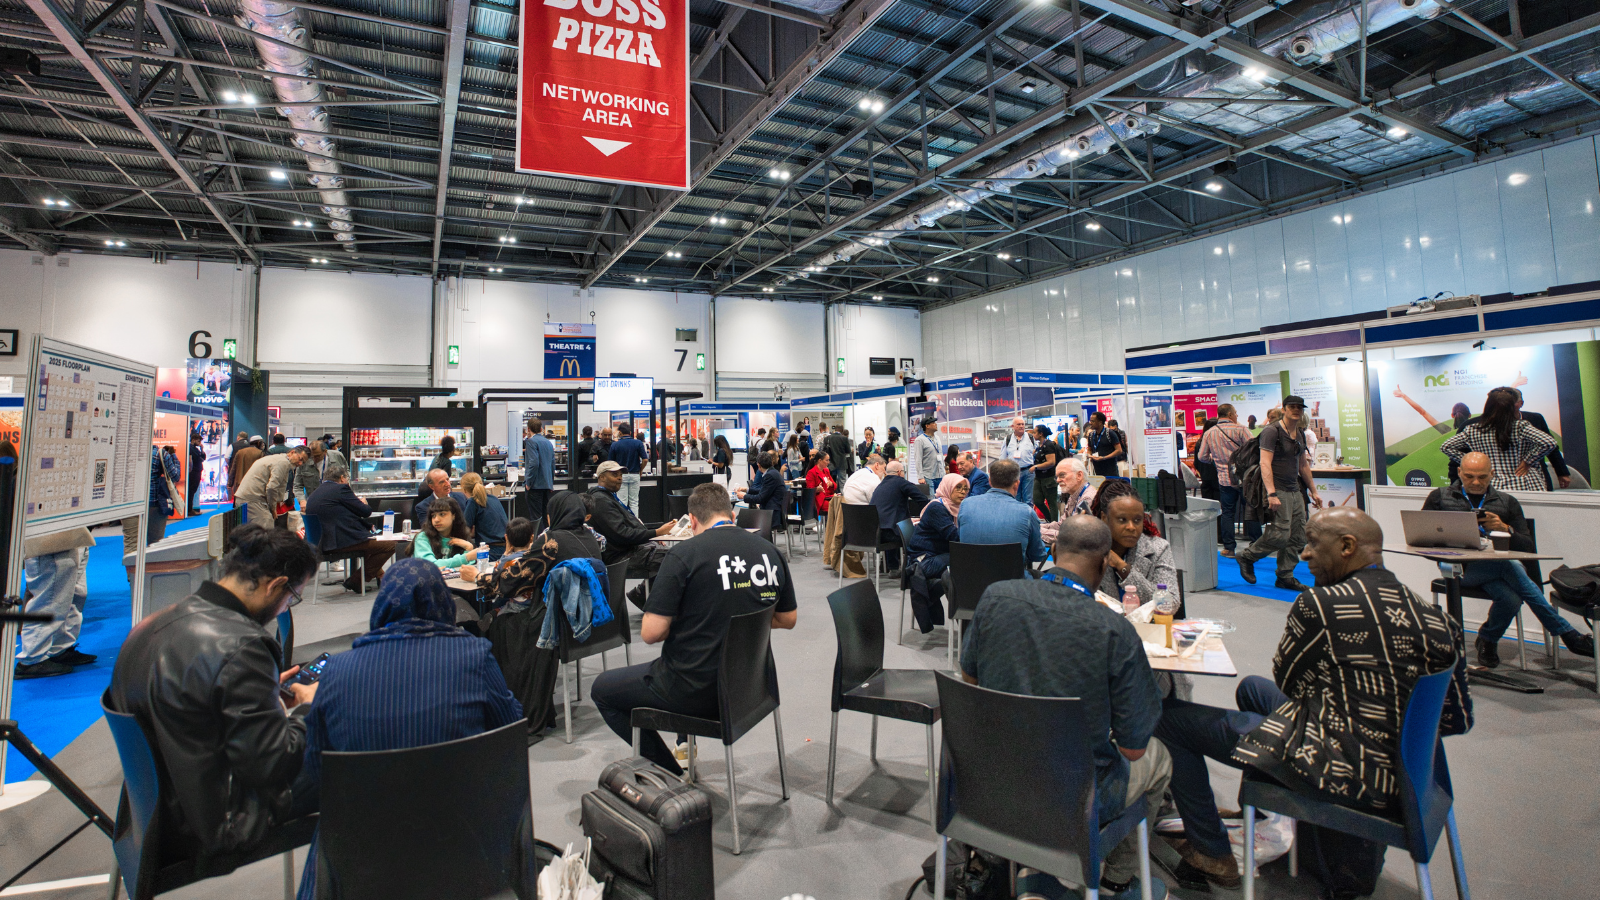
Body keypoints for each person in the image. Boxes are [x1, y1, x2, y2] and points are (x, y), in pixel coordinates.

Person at [1153, 509, 1470, 895]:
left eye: (1313, 544)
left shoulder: (1321, 604)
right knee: (1253, 688)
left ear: (1347, 546)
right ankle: (1262, 812)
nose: (1304, 554)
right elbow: (1458, 718)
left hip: (1340, 766)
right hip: (1412, 774)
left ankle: (1211, 852)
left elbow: (1289, 682)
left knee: (1167, 718)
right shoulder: (1437, 619)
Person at [961, 515, 1170, 900]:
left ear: (1054, 551)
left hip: (989, 783)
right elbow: (1132, 749)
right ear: (1104, 564)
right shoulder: (1115, 631)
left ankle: (1036, 868)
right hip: (1074, 798)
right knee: (1158, 757)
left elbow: (970, 682)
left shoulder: (994, 597)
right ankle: (1116, 879)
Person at [294, 558, 523, 899]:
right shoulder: (474, 657)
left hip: (361, 862)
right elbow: (511, 736)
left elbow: (318, 772)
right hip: (465, 848)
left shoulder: (337, 673)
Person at [106, 524, 321, 865]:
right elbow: (274, 764)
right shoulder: (243, 645)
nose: (285, 607)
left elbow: (185, 709)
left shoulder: (149, 626)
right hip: (223, 821)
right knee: (361, 753)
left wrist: (262, 695)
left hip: (155, 818)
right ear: (275, 585)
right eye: (291, 597)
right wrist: (311, 708)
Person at [590, 483, 798, 774]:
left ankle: (669, 771)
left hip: (695, 690)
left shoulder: (684, 555)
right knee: (685, 658)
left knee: (603, 689)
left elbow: (651, 633)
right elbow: (788, 619)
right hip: (754, 687)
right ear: (732, 515)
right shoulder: (769, 551)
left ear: (693, 521)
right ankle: (682, 745)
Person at [1422, 451, 1593, 665]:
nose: (1476, 482)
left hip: (1496, 569)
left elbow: (1527, 546)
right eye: (1469, 476)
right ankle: (1568, 634)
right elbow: (1422, 537)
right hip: (1458, 569)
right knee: (1508, 564)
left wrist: (1506, 529)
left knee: (1510, 598)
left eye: (1482, 477)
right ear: (1459, 472)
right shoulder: (1440, 497)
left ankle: (1487, 639)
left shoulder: (1507, 502)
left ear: (1492, 474)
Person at [473, 497, 602, 740]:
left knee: (498, 623)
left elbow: (515, 579)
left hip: (553, 622)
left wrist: (479, 577)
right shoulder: (589, 536)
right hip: (583, 619)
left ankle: (510, 709)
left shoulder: (551, 541)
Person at [1236, 394, 1322, 591]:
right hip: (1277, 489)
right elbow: (1265, 463)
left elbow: (1303, 465)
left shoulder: (1299, 433)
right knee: (1280, 535)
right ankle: (1247, 556)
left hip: (1295, 490)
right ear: (1284, 409)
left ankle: (1285, 576)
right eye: (1292, 407)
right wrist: (1271, 494)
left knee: (1298, 536)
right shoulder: (1271, 431)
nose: (1296, 410)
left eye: (1299, 407)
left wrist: (1314, 491)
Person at [1439, 386, 1558, 492]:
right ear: (1511, 407)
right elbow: (1549, 443)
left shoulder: (1473, 429)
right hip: (1524, 484)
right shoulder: (1520, 427)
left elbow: (1446, 447)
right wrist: (1528, 460)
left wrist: (1476, 463)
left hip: (1492, 486)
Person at [588, 461, 676, 605]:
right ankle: (646, 598)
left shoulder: (607, 497)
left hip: (626, 550)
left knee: (673, 555)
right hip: (619, 556)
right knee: (674, 559)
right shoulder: (601, 500)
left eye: (620, 474)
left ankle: (642, 595)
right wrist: (656, 533)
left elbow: (627, 527)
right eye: (614, 475)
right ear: (601, 477)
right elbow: (623, 534)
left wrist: (651, 535)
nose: (619, 478)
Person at [14, 527, 96, 679]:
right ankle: (31, 659)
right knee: (49, 600)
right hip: (48, 536)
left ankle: (59, 648)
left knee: (75, 594)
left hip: (73, 534)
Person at [305, 463, 396, 592]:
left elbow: (340, 514)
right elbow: (365, 512)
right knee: (390, 544)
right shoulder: (341, 489)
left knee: (370, 546)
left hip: (319, 543)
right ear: (342, 478)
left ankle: (379, 575)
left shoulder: (316, 493)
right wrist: (363, 503)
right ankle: (357, 580)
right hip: (340, 542)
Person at [1093, 480, 1177, 606]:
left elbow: (1170, 603)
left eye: (1137, 520)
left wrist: (1122, 567)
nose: (1131, 527)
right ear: (1104, 518)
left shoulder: (1158, 548)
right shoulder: (1090, 550)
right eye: (1122, 520)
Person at [905, 473, 969, 632]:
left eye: (965, 488)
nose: (962, 492)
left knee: (963, 567)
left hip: (936, 556)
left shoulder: (953, 507)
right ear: (948, 488)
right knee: (965, 564)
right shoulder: (937, 508)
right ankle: (966, 628)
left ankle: (966, 626)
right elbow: (954, 537)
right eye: (958, 488)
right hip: (923, 561)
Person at [956, 459, 1048, 564]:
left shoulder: (965, 505)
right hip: (1012, 573)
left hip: (970, 573)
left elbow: (961, 540)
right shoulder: (1027, 512)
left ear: (989, 481)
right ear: (1016, 484)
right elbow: (1038, 555)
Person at [1197, 403, 1254, 557]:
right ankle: (1256, 546)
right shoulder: (1241, 429)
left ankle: (1229, 548)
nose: (1237, 415)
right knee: (1250, 511)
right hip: (1244, 479)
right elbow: (1254, 449)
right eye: (1235, 413)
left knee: (1227, 513)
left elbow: (1202, 457)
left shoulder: (1209, 433)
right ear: (1229, 414)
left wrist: (1215, 461)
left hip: (1224, 479)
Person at [233, 444, 307, 529]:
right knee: (266, 526)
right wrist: (273, 508)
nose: (300, 463)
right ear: (292, 452)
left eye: (303, 462)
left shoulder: (278, 459)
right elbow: (272, 487)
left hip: (247, 497)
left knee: (254, 529)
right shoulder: (283, 462)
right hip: (253, 499)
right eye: (300, 459)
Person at [871, 459, 924, 572]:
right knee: (919, 533)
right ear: (899, 472)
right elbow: (922, 499)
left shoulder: (880, 485)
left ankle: (892, 567)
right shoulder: (901, 482)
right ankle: (915, 568)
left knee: (892, 524)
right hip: (891, 533)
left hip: (874, 534)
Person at [413, 496, 474, 569]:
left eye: (442, 514)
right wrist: (466, 557)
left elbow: (470, 566)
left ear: (454, 516)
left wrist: (469, 548)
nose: (436, 520)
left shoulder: (461, 535)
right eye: (433, 516)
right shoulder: (422, 537)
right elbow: (430, 565)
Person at [458, 472, 509, 559]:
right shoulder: (494, 498)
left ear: (464, 490)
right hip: (505, 548)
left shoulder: (473, 501)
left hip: (489, 551)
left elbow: (464, 530)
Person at [606, 423, 649, 514]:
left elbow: (610, 462)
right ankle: (635, 521)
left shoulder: (615, 445)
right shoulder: (638, 443)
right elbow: (645, 459)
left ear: (620, 432)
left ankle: (624, 521)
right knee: (634, 502)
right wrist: (640, 470)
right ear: (630, 432)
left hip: (621, 475)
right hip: (635, 474)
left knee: (622, 501)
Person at [293, 441, 347, 508]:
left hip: (335, 501)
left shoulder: (337, 456)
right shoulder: (304, 460)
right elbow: (297, 485)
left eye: (317, 456)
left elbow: (346, 473)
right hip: (313, 502)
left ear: (325, 451)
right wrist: (302, 501)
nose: (314, 459)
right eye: (312, 456)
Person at [736, 450, 789, 517]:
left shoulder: (770, 475)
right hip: (775, 510)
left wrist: (744, 496)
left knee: (743, 516)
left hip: (772, 513)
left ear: (759, 465)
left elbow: (760, 498)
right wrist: (747, 490)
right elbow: (764, 490)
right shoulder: (773, 472)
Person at [1001, 417, 1038, 511]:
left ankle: (1028, 518)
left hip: (1028, 472)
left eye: (1022, 424)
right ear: (1013, 426)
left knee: (1028, 499)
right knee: (1015, 498)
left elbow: (1037, 452)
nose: (1021, 426)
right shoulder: (1008, 439)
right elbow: (1003, 457)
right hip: (1013, 472)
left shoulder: (1031, 438)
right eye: (1018, 424)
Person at [523, 418, 555, 523]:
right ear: (541, 429)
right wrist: (551, 482)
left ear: (528, 429)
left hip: (535, 485)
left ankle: (538, 534)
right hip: (546, 484)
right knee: (545, 516)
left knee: (536, 518)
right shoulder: (548, 442)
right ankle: (546, 534)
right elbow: (552, 464)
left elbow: (534, 463)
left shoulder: (531, 442)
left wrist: (529, 482)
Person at [1030, 424, 1062, 520]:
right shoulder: (1039, 445)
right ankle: (1049, 519)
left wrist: (1036, 467)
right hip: (1038, 477)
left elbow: (1051, 462)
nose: (1033, 434)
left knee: (1052, 503)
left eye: (1034, 432)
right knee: (1037, 501)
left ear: (1040, 434)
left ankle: (1054, 523)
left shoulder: (1048, 445)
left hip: (1049, 478)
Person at [1086, 412, 1124, 478]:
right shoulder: (1091, 435)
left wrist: (1104, 457)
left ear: (1100, 422)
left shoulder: (1110, 433)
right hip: (1097, 471)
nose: (1090, 423)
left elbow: (1119, 450)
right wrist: (1089, 455)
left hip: (1110, 471)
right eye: (1090, 421)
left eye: (1093, 421)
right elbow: (1089, 449)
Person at [228, 437, 264, 501]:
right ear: (259, 443)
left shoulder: (240, 452)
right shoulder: (260, 453)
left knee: (239, 505)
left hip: (239, 484)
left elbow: (233, 469)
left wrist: (230, 483)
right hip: (254, 486)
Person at [913, 416, 941, 491]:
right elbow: (918, 459)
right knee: (931, 497)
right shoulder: (919, 440)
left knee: (940, 497)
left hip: (940, 475)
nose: (936, 424)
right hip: (928, 476)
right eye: (933, 423)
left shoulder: (937, 438)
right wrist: (920, 477)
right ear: (927, 426)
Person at [187, 433, 206, 515]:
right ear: (193, 440)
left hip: (197, 471)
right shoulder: (190, 448)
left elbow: (203, 458)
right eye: (198, 441)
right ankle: (189, 510)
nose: (199, 443)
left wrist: (202, 449)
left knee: (193, 490)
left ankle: (190, 509)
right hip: (193, 472)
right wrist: (190, 469)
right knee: (191, 491)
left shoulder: (196, 449)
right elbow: (191, 460)